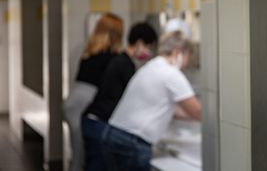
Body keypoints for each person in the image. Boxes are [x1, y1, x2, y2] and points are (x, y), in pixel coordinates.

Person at [102, 31, 201, 171]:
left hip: (113, 134)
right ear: (178, 52)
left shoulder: (151, 67)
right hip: (132, 142)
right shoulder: (171, 74)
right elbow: (197, 112)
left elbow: (169, 109)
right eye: (187, 57)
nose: (186, 64)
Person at [81, 22, 158, 171]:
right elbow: (134, 98)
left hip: (93, 120)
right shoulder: (125, 65)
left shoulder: (120, 60)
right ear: (139, 43)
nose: (148, 52)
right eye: (148, 47)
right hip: (99, 123)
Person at [63, 13, 123, 171]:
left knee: (78, 154)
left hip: (73, 102)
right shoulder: (111, 58)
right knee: (82, 157)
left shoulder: (89, 52)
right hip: (83, 104)